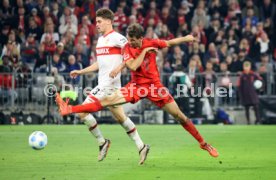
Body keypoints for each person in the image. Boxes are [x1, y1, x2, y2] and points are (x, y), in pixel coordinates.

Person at [56, 23, 219, 158]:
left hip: (155, 87)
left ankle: (203, 144)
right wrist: (145, 51)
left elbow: (169, 43)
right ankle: (69, 108)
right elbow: (133, 65)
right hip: (136, 87)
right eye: (129, 39)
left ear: (141, 38)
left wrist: (186, 38)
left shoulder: (151, 42)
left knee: (179, 116)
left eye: (133, 40)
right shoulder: (127, 48)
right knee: (106, 101)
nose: (130, 42)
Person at [65, 9, 148, 165]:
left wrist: (119, 68)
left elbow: (131, 54)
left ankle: (102, 142)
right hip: (106, 85)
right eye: (96, 22)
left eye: (99, 21)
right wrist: (81, 71)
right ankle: (141, 146)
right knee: (121, 118)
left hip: (108, 85)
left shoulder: (119, 38)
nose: (97, 24)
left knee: (82, 112)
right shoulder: (100, 40)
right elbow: (100, 64)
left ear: (109, 21)